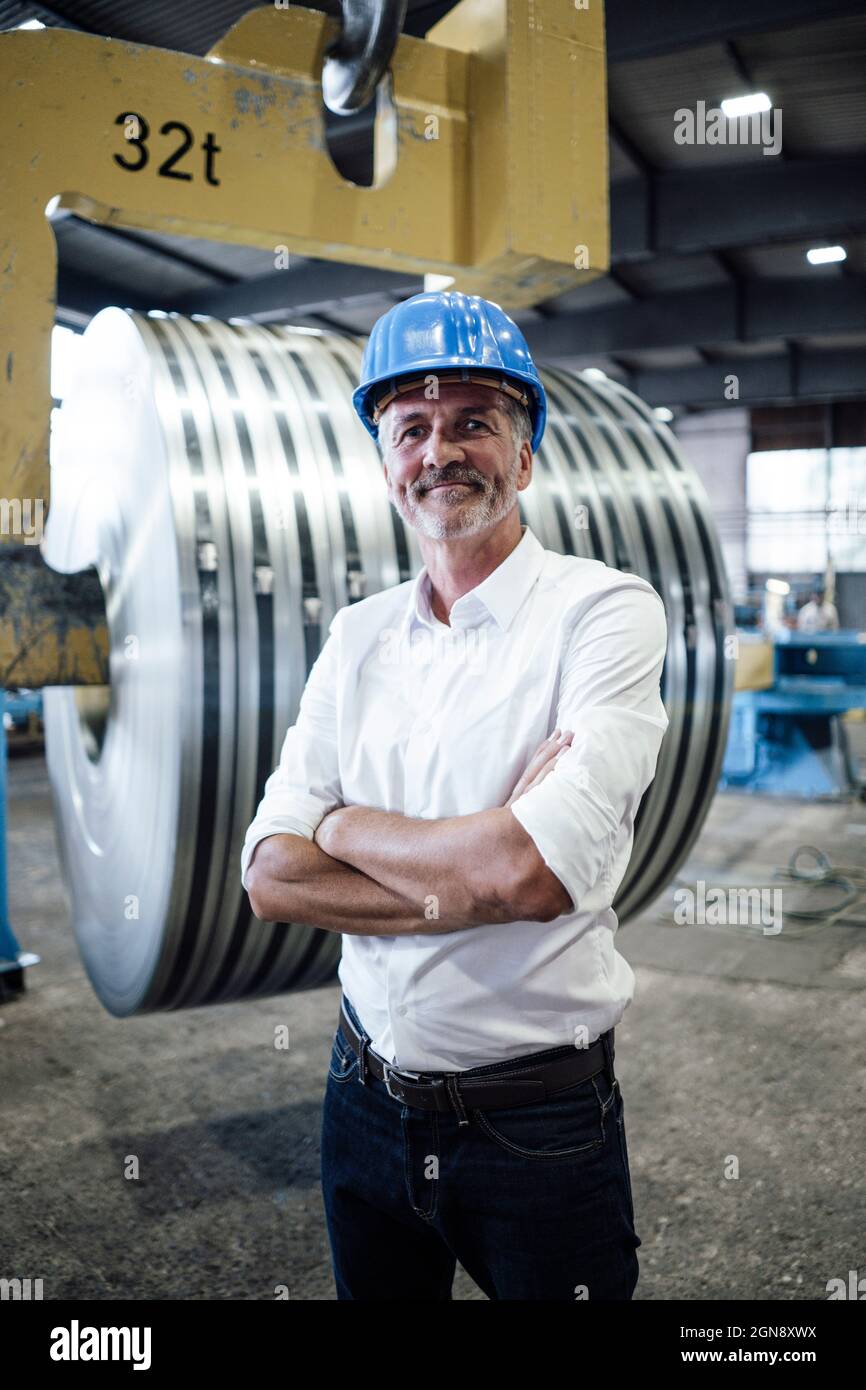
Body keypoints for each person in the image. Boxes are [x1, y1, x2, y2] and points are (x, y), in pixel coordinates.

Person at [240, 291, 669, 1301]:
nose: (441, 451)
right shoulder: (357, 636)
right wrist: (465, 860)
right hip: (360, 1096)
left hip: (534, 1125)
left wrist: (340, 828)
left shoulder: (600, 614)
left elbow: (523, 874)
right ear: (388, 464)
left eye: (473, 422)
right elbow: (268, 875)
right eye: (412, 429)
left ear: (523, 457)